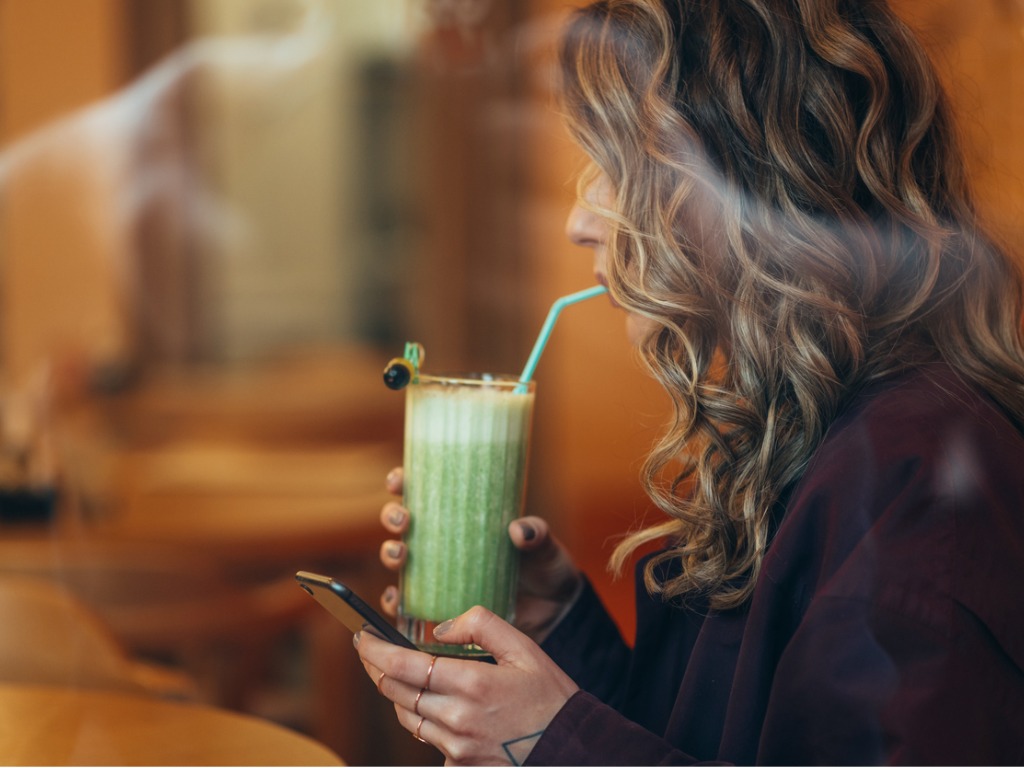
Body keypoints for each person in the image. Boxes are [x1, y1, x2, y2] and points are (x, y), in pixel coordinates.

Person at [354, 0, 1024, 763]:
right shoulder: (799, 428)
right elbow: (709, 743)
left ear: (747, 191)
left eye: (612, 168)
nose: (579, 220)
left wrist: (553, 744)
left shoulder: (924, 491)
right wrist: (560, 625)